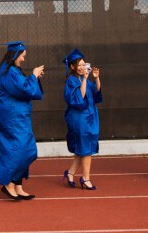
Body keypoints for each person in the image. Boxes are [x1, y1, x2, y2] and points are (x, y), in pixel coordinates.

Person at [0, 41, 44, 200]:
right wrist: (34, 76)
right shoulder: (9, 72)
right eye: (22, 56)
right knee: (16, 150)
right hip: (12, 120)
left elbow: (25, 88)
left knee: (25, 149)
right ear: (14, 55)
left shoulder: (13, 71)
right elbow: (25, 89)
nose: (23, 59)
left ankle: (17, 184)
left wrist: (33, 78)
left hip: (19, 118)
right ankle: (8, 183)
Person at [62, 48, 101, 190]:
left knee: (83, 148)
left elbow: (96, 94)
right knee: (86, 149)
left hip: (90, 116)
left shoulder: (83, 79)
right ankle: (86, 178)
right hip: (79, 118)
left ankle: (70, 173)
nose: (82, 67)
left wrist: (96, 78)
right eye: (78, 65)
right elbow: (80, 97)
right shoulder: (71, 81)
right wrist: (85, 78)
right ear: (72, 67)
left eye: (83, 64)